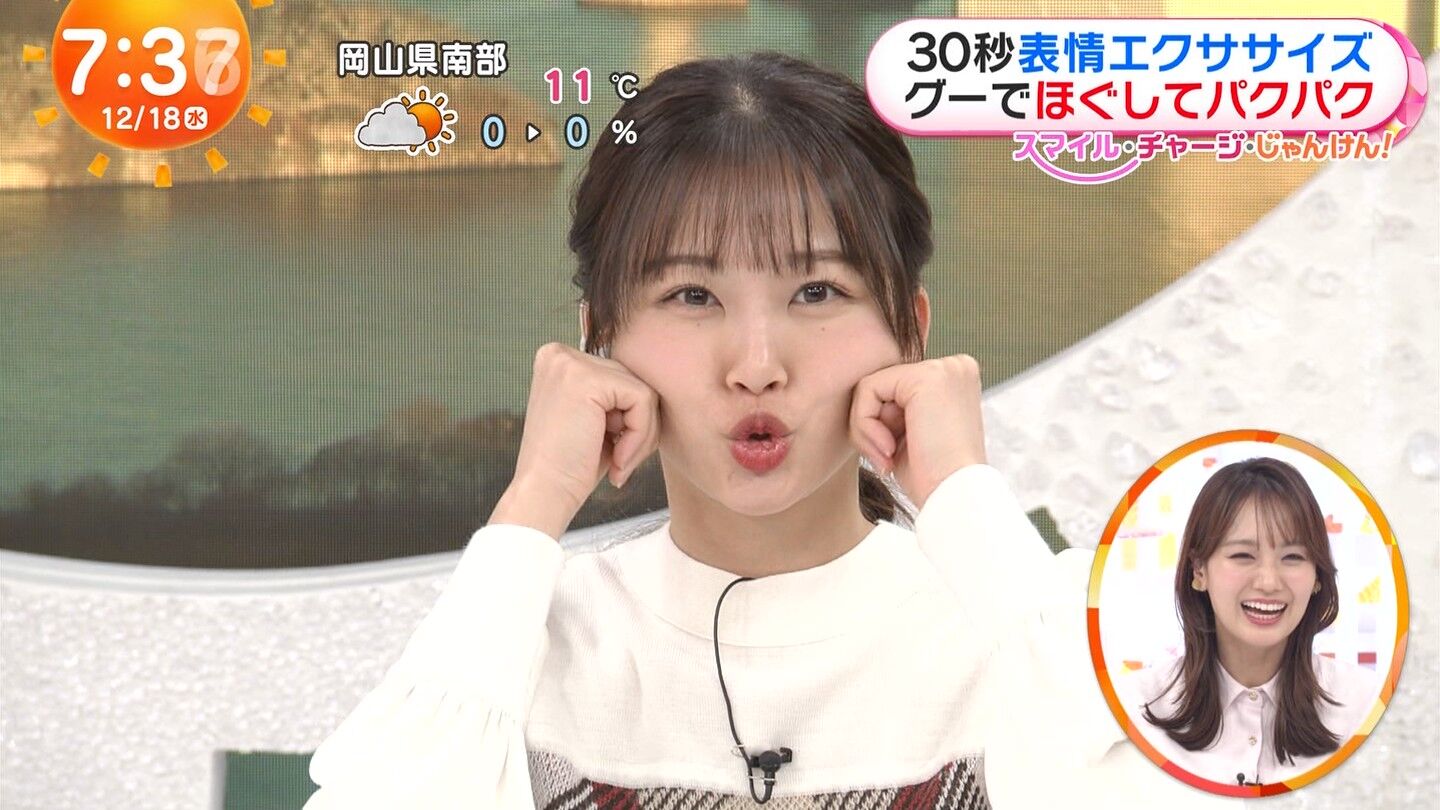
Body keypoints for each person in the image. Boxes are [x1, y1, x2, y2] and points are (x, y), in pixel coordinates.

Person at [304, 52, 1228, 809]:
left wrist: (967, 504)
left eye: (817, 291)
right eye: (691, 295)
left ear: (911, 331)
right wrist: (531, 507)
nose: (756, 364)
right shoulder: (520, 647)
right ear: (598, 340)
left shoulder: (1021, 625)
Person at [1128, 457, 1380, 787]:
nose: (1268, 582)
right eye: (1243, 556)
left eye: (1293, 557)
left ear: (1318, 576)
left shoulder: (1367, 705)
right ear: (1199, 570)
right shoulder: (1135, 707)